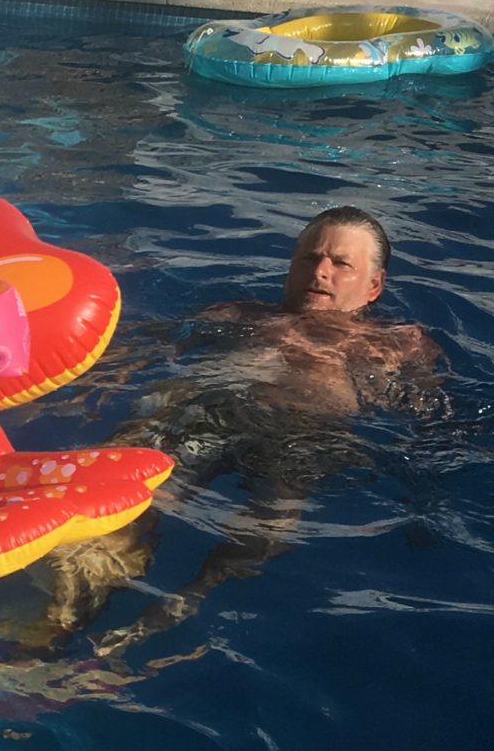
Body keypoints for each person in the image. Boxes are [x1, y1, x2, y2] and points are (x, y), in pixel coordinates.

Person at [46, 205, 442, 652]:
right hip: (208, 414)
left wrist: (425, 491)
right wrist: (90, 383)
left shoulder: (398, 344)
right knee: (120, 503)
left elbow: (430, 417)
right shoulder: (237, 314)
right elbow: (146, 347)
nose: (321, 271)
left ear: (374, 286)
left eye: (340, 263)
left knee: (264, 531)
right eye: (309, 258)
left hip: (303, 435)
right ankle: (57, 625)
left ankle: (174, 610)